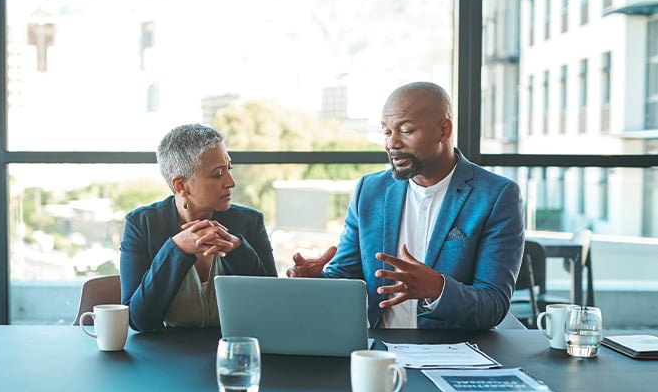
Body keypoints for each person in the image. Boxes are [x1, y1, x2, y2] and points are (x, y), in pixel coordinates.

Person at [287, 82, 523, 330]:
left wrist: (438, 289)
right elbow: (346, 278)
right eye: (387, 132)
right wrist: (314, 282)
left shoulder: (496, 195)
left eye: (406, 131)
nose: (392, 144)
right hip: (379, 350)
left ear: (444, 131)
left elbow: (494, 305)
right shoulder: (369, 191)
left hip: (453, 352)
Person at [120, 123, 277, 332]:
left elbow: (272, 306)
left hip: (235, 350)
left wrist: (239, 250)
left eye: (228, 169)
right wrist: (176, 250)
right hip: (165, 356)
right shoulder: (141, 225)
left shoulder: (250, 223)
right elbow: (138, 320)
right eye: (217, 174)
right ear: (181, 185)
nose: (230, 182)